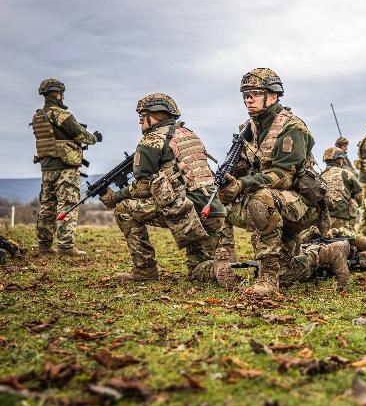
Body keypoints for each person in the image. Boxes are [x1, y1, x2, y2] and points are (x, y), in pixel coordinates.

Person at [99, 93, 235, 287]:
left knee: (123, 208)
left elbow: (143, 188)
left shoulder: (151, 141)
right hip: (213, 211)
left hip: (186, 213)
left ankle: (144, 270)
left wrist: (115, 196)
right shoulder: (189, 134)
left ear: (154, 116)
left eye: (141, 117)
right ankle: (215, 269)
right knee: (197, 270)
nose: (140, 123)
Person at [218, 68, 330, 298]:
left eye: (255, 93)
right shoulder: (249, 129)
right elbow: (243, 167)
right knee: (287, 272)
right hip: (274, 202)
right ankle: (326, 255)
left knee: (260, 199)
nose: (249, 99)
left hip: (301, 204)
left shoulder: (292, 127)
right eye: (245, 95)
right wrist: (227, 181)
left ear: (273, 96)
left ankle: (268, 278)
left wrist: (243, 184)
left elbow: (283, 175)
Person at [31, 79, 100, 256]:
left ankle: (44, 246)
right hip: (65, 169)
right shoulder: (61, 114)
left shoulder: (38, 115)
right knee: (67, 204)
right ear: (59, 94)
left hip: (46, 168)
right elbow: (81, 135)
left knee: (47, 206)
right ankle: (66, 247)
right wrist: (95, 137)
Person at [320, 146, 363, 230]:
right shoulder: (346, 173)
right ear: (339, 159)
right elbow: (359, 195)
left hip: (323, 218)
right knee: (344, 240)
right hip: (341, 217)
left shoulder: (321, 175)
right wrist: (356, 204)